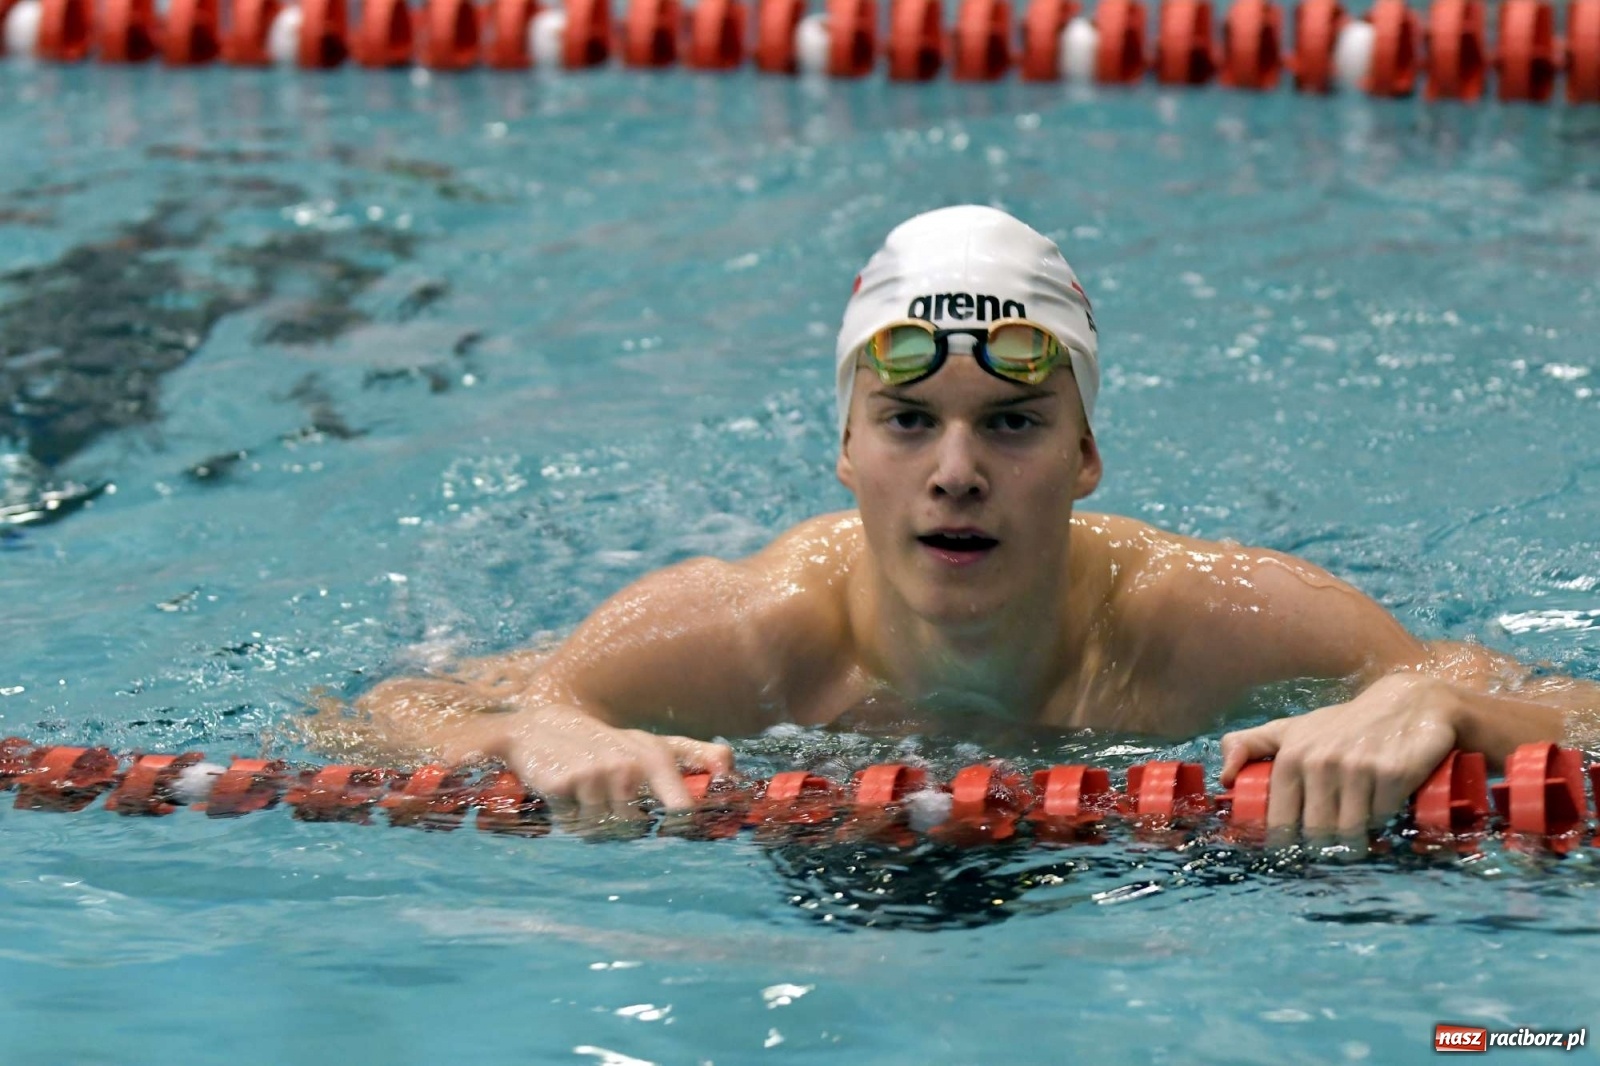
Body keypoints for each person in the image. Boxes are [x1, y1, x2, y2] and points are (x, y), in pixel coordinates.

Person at [331, 204, 1599, 837]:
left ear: (1086, 454)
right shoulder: (747, 634)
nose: (953, 472)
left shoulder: (1209, 620)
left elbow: (1567, 714)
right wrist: (536, 725)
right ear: (842, 450)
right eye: (905, 421)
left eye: (1010, 423)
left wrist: (1438, 702)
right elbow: (377, 723)